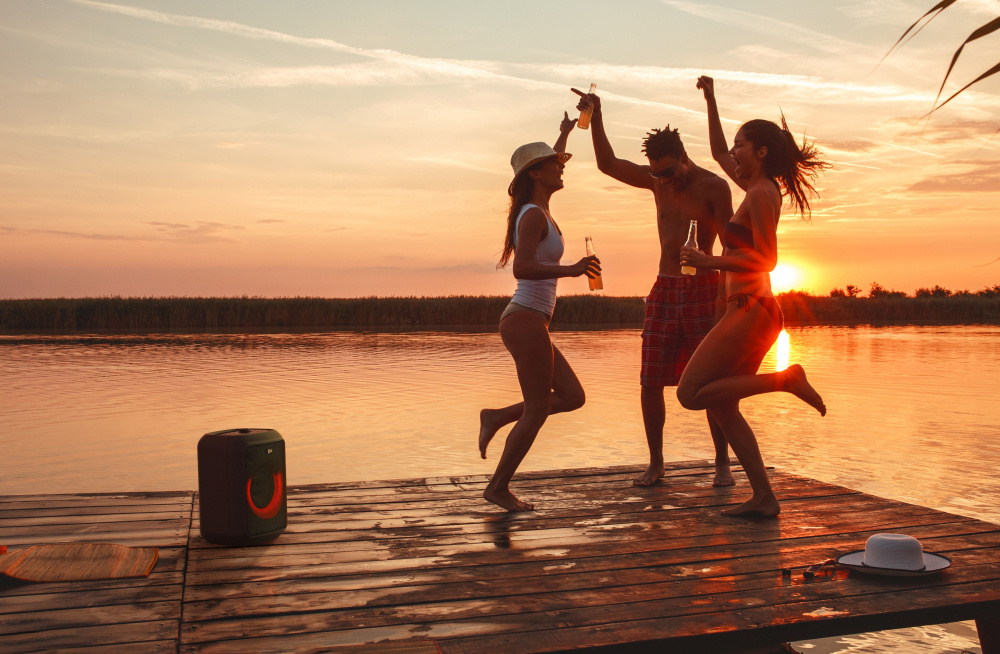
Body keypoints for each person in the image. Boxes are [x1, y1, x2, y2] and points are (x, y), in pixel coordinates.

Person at [676, 76, 829, 518]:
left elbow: (767, 260)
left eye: (743, 144)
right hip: (746, 310)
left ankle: (785, 380)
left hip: (752, 309)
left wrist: (709, 264)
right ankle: (764, 497)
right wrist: (711, 99)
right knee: (722, 405)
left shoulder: (762, 194)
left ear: (761, 152)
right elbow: (717, 152)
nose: (734, 153)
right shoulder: (755, 188)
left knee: (690, 393)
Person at [572, 87, 735, 488]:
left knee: (712, 382)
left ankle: (722, 464)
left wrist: (723, 299)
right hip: (664, 288)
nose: (663, 179)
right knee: (650, 379)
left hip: (703, 289)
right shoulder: (658, 183)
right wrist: (598, 114)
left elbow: (733, 247)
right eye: (656, 173)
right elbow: (608, 164)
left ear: (683, 156)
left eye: (668, 171)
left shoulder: (714, 188)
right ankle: (656, 463)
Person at [478, 113, 602, 512]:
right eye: (554, 164)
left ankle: (497, 416)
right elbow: (522, 268)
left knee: (572, 396)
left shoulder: (540, 209)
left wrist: (565, 132)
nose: (561, 167)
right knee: (536, 410)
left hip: (533, 320)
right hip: (524, 318)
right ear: (535, 173)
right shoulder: (532, 214)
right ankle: (498, 487)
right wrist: (572, 269)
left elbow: (552, 157)